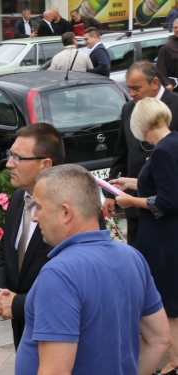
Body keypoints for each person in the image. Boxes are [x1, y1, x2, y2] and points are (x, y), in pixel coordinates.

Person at [13, 164, 171, 375]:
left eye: (39, 207)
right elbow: (160, 339)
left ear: (65, 212)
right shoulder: (132, 257)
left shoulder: (59, 274)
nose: (34, 217)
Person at [0, 123, 65, 350]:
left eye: (18, 158)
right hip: (23, 328)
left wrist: (18, 304)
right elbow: (5, 253)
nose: (9, 164)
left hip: (57, 331)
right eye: (11, 155)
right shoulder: (19, 198)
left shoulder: (68, 211)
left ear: (45, 164)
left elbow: (70, 281)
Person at [112, 97, 178, 375]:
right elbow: (168, 183)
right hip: (170, 237)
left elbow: (168, 201)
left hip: (164, 238)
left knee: (169, 303)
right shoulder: (173, 141)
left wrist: (130, 201)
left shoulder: (162, 151)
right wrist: (133, 183)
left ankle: (175, 361)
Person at [103, 61, 178, 247]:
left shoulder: (164, 146)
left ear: (154, 83)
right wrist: (115, 191)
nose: (132, 94)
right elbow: (120, 153)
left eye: (136, 88)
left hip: (163, 221)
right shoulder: (129, 108)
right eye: (129, 88)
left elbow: (168, 199)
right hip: (138, 212)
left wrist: (132, 199)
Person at [157, 19, 178, 93]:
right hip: (175, 88)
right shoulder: (167, 47)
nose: (177, 30)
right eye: (175, 28)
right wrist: (167, 83)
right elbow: (161, 68)